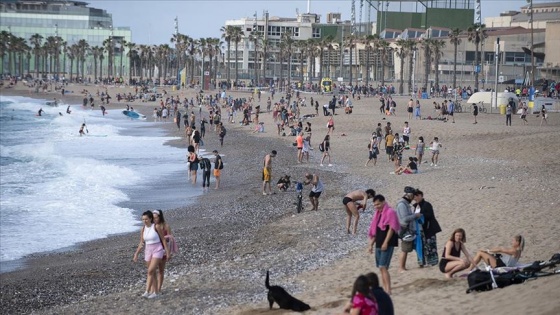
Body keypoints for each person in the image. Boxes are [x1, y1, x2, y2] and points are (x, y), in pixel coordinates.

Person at [133, 210, 171, 299]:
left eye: (146, 219)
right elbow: (141, 242)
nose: (144, 221)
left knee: (150, 270)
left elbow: (164, 240)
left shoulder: (156, 227)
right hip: (148, 250)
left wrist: (168, 252)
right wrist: (136, 254)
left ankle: (147, 291)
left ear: (150, 219)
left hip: (157, 250)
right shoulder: (143, 229)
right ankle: (155, 292)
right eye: (143, 219)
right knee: (152, 272)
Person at [367, 194, 400, 294]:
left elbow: (392, 228)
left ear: (383, 202)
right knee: (381, 268)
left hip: (387, 243)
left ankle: (388, 289)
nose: (377, 206)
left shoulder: (390, 212)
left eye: (378, 204)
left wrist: (386, 242)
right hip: (379, 242)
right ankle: (385, 288)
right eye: (375, 205)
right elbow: (375, 231)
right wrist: (371, 244)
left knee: (383, 266)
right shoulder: (378, 214)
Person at [396, 187, 422, 272]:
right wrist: (416, 215)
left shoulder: (405, 203)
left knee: (406, 249)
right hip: (404, 230)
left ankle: (403, 267)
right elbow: (405, 219)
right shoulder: (402, 204)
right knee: (404, 249)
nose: (414, 198)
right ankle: (401, 267)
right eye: (413, 196)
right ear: (409, 195)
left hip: (407, 229)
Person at [413, 190, 442, 267]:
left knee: (431, 245)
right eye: (414, 196)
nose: (415, 198)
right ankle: (423, 262)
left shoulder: (427, 204)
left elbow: (430, 215)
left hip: (429, 228)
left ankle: (433, 262)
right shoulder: (415, 206)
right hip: (420, 229)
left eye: (417, 196)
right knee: (422, 245)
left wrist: (421, 215)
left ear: (421, 196)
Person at [152, 210, 176, 293]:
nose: (154, 219)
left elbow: (170, 238)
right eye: (153, 218)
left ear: (160, 217)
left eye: (156, 217)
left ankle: (158, 289)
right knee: (153, 270)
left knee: (161, 270)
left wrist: (168, 252)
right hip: (154, 250)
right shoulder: (152, 226)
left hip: (163, 249)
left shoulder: (165, 226)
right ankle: (153, 289)